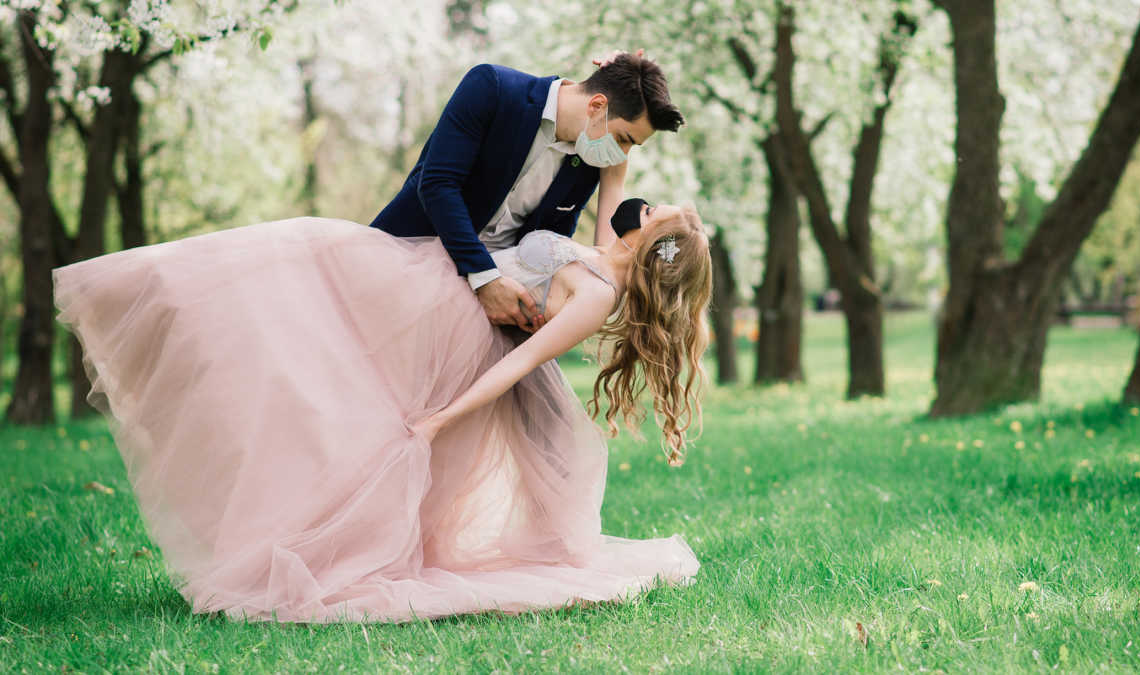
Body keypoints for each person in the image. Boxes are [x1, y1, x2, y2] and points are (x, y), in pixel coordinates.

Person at [52, 194, 712, 623]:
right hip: (425, 280)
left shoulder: (599, 292)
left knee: (304, 308)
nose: (648, 203)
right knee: (288, 256)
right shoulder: (601, 253)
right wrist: (622, 83)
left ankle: (303, 542)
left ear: (658, 242)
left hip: (444, 326)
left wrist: (441, 419)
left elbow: (521, 361)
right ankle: (130, 296)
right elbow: (612, 185)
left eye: (661, 209)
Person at [370, 50, 684, 335]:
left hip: (484, 313)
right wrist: (485, 278)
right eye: (623, 139)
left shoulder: (589, 159)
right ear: (597, 105)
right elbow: (438, 183)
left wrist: (613, 178)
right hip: (407, 258)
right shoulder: (492, 88)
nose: (621, 154)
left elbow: (557, 239)